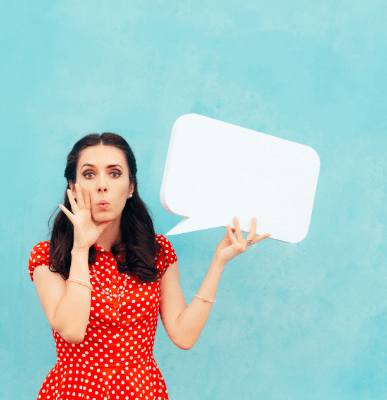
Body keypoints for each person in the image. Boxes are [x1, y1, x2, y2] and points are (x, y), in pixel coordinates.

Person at [28, 133, 270, 400]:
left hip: (141, 391)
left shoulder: (156, 252)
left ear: (131, 187)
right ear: (72, 188)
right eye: (88, 174)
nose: (101, 186)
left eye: (114, 173)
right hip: (73, 392)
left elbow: (183, 335)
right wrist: (81, 247)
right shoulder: (49, 256)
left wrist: (218, 262)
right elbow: (72, 330)